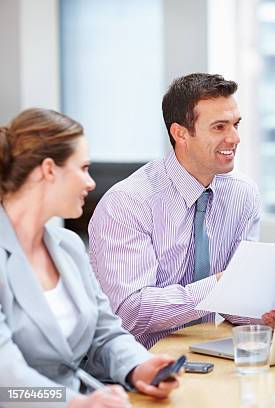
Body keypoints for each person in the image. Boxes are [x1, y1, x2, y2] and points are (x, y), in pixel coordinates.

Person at [0, 108, 179, 407]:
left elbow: (104, 333)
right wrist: (74, 403)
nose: (91, 182)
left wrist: (138, 367)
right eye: (83, 168)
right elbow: (7, 382)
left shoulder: (68, 246)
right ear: (48, 170)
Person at [88, 73, 262, 349]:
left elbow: (238, 296)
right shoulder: (127, 203)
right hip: (139, 364)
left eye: (236, 124)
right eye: (219, 127)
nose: (235, 138)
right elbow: (129, 312)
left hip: (211, 352)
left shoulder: (243, 194)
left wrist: (268, 311)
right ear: (180, 133)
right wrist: (219, 286)